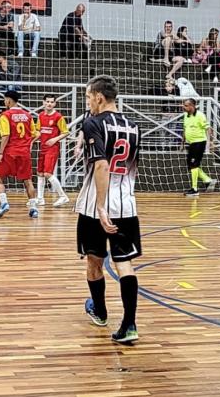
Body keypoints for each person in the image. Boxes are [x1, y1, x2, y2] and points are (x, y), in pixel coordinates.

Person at [76, 75, 142, 344]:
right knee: (124, 263)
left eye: (89, 97)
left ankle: (101, 312)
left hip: (96, 205)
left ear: (100, 97)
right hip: (126, 203)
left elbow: (102, 165)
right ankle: (129, 325)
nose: (88, 102)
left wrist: (101, 207)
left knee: (94, 259)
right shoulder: (134, 125)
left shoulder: (93, 122)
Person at [0, 90, 39, 219]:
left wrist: (0, 153)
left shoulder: (5, 115)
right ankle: (34, 208)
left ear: (9, 100)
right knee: (28, 181)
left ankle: (4, 204)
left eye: (4, 100)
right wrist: (28, 143)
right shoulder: (28, 115)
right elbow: (35, 134)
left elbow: (6, 135)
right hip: (24, 153)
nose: (4, 102)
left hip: (10, 152)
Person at [35, 94, 71, 207]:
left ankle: (63, 196)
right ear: (43, 102)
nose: (49, 104)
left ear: (55, 104)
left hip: (52, 148)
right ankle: (40, 199)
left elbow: (66, 132)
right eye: (47, 101)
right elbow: (38, 132)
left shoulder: (58, 117)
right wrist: (30, 140)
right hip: (43, 147)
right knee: (40, 173)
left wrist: (54, 139)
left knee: (47, 173)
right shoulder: (40, 116)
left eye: (52, 102)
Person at [182, 98, 215, 197]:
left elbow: (208, 128)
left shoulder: (200, 115)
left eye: (186, 105)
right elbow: (185, 128)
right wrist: (182, 142)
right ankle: (207, 180)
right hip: (191, 143)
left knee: (193, 164)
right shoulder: (185, 115)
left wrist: (212, 142)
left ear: (192, 106)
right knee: (191, 165)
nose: (184, 107)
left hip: (199, 142)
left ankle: (195, 189)